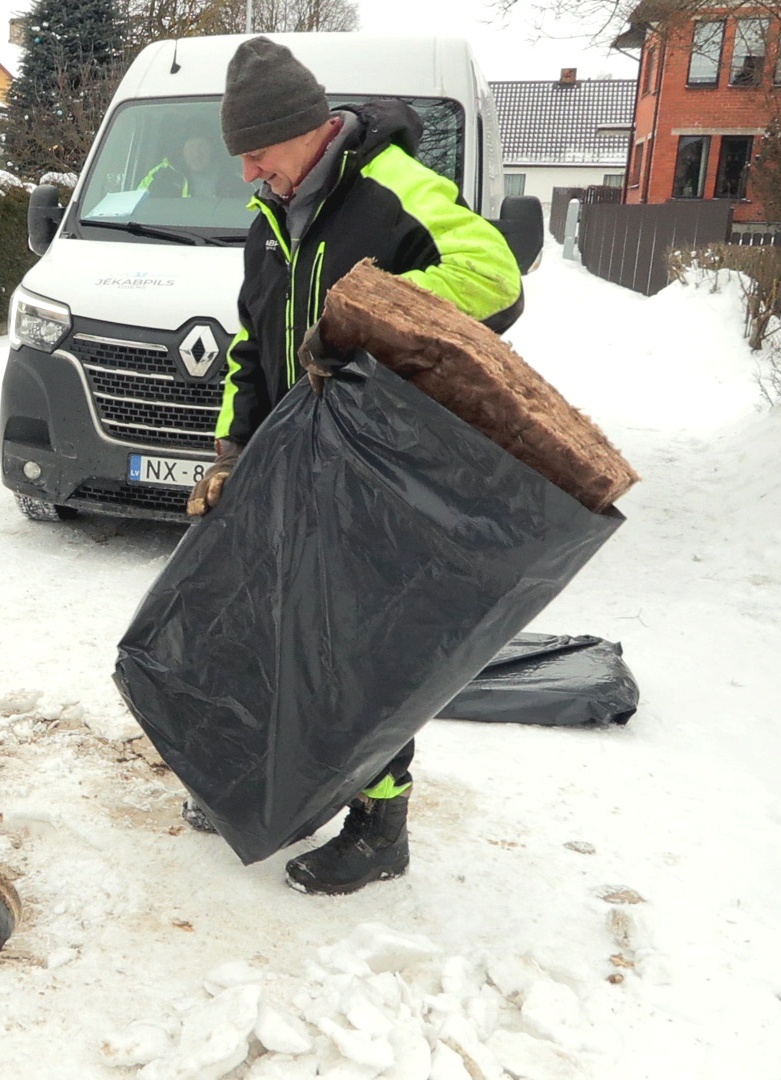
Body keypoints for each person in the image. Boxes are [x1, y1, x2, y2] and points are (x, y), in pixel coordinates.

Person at [182, 37, 524, 896]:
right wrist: (230, 451)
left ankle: (380, 828)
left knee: (361, 651)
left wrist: (365, 317)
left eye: (258, 152)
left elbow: (495, 277)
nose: (249, 174)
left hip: (378, 464)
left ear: (308, 128)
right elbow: (251, 349)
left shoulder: (391, 186)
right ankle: (268, 779)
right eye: (241, 158)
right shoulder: (268, 223)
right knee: (269, 627)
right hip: (288, 461)